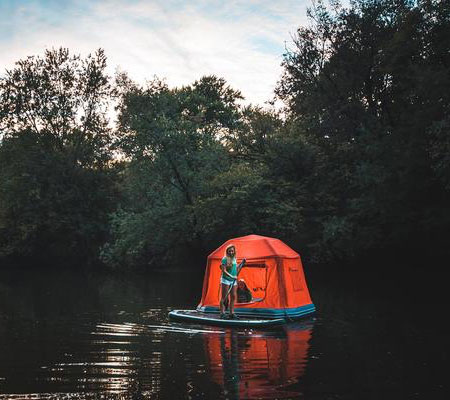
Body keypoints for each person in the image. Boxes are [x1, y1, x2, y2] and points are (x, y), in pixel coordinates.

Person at [220, 244, 239, 319]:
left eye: (232, 251)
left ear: (234, 251)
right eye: (229, 251)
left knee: (233, 296)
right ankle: (222, 313)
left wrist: (241, 265)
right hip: (226, 279)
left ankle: (231, 313)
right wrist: (231, 276)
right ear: (227, 251)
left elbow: (235, 268)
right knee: (224, 297)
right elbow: (223, 270)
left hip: (233, 280)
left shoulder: (234, 258)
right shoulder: (224, 259)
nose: (231, 252)